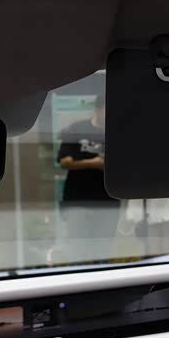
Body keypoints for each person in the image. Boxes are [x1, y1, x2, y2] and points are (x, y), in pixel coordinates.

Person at [55, 95, 119, 264]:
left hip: (108, 201)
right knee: (78, 249)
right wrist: (93, 163)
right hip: (78, 201)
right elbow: (65, 162)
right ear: (98, 109)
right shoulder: (77, 129)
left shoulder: (117, 132)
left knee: (103, 250)